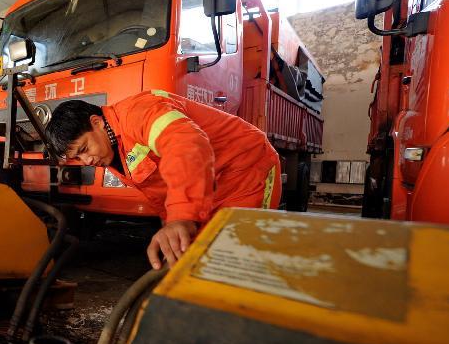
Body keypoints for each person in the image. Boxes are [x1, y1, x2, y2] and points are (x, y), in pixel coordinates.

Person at [46, 90, 282, 269]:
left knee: (237, 262)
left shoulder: (141, 112)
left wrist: (181, 218)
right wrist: (172, 223)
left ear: (96, 122)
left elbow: (186, 147)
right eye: (78, 157)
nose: (87, 160)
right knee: (198, 262)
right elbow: (162, 190)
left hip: (246, 168)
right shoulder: (112, 148)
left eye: (85, 149)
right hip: (208, 187)